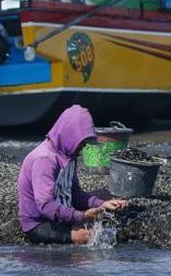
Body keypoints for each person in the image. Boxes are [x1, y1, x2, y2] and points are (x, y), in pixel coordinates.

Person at [17, 105, 127, 245]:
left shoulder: (68, 156)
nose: (84, 147)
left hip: (62, 212)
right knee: (95, 237)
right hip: (39, 223)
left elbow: (75, 193)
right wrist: (82, 216)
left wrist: (103, 204)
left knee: (108, 213)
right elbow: (46, 206)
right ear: (70, 135)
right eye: (82, 142)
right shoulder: (44, 159)